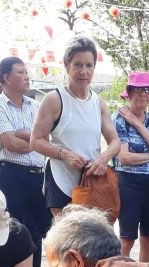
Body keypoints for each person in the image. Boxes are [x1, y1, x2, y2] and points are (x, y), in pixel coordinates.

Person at [31, 36, 120, 217]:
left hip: (92, 182)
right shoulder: (54, 99)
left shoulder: (98, 102)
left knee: (92, 233)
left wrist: (103, 158)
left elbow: (115, 142)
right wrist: (64, 154)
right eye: (78, 65)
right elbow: (36, 141)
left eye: (89, 65)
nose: (83, 71)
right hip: (61, 180)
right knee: (66, 233)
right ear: (67, 65)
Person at [0, 56, 51, 267]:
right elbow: (11, 144)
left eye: (26, 72)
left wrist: (24, 135)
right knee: (12, 225)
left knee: (38, 225)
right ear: (6, 78)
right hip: (10, 174)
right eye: (21, 72)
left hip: (37, 175)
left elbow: (47, 138)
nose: (27, 76)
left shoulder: (36, 106)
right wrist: (35, 139)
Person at [113, 71, 149, 263]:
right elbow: (124, 158)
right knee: (127, 238)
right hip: (128, 182)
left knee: (148, 237)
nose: (143, 94)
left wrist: (136, 123)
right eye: (138, 89)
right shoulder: (119, 119)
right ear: (129, 93)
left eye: (146, 90)